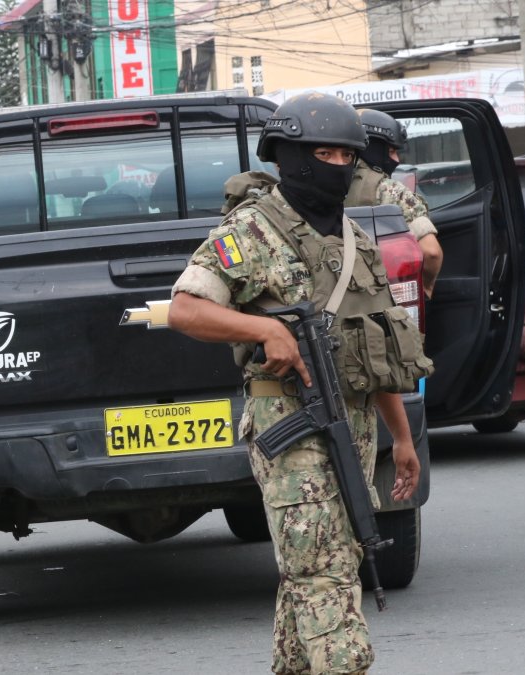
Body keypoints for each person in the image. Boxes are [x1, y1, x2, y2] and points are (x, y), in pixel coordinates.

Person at [167, 93, 429, 674]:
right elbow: (185, 309)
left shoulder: (356, 239)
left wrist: (401, 437)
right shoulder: (253, 229)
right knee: (324, 569)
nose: (332, 164)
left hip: (355, 421)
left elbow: (374, 348)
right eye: (319, 152)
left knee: (317, 566)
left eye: (344, 154)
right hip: (289, 420)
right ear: (287, 156)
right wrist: (262, 328)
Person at [345, 109, 444, 299]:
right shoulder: (389, 190)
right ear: (371, 148)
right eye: (390, 151)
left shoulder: (324, 185)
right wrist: (427, 289)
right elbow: (431, 252)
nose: (396, 160)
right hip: (384, 297)